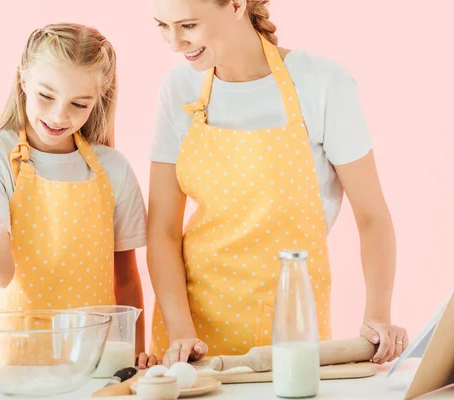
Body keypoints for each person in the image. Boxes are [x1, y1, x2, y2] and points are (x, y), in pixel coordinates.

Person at [146, 0, 408, 367]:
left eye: (188, 26)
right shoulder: (177, 88)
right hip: (190, 337)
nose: (174, 43)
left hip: (291, 331)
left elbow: (372, 218)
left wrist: (377, 316)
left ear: (237, 5)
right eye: (162, 25)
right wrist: (180, 333)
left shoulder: (321, 83)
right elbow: (162, 231)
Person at [0, 23, 158, 368]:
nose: (59, 115)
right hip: (19, 362)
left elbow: (125, 279)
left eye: (79, 104)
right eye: (46, 96)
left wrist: (132, 362)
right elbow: (1, 276)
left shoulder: (113, 168)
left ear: (99, 100)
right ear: (23, 80)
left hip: (99, 361)